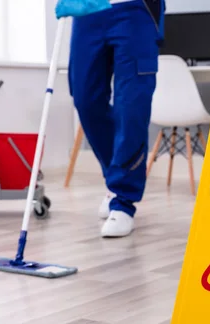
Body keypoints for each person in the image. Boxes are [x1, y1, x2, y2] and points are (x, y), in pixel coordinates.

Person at [68, 0, 165, 238]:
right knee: (85, 99)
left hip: (135, 9)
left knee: (130, 107)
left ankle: (123, 199)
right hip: (88, 10)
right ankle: (115, 180)